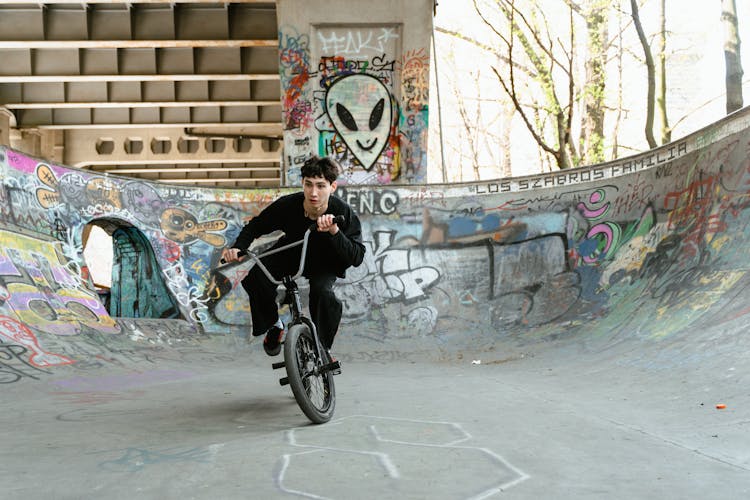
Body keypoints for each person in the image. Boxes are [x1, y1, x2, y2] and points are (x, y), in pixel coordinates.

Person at [221, 156, 366, 357]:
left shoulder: (342, 212)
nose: (313, 192)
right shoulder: (288, 205)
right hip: (293, 251)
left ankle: (322, 348)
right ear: (302, 183)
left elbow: (357, 256)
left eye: (321, 186)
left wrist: (334, 231)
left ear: (332, 187)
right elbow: (256, 226)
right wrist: (238, 248)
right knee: (255, 277)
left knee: (323, 294)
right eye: (308, 185)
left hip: (326, 261)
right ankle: (274, 325)